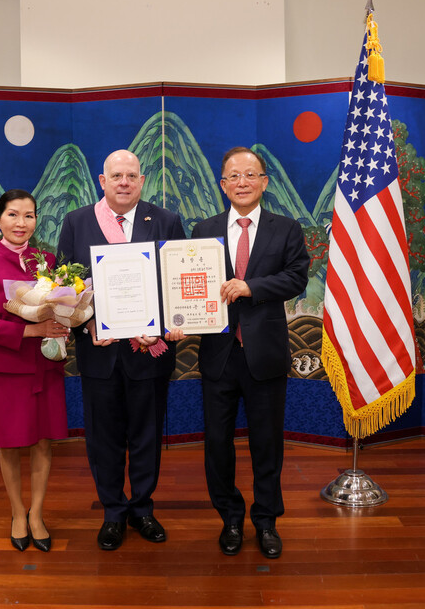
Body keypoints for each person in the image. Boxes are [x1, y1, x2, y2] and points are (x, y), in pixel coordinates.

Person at [167, 147, 309, 559]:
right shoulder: (203, 229)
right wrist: (178, 319)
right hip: (218, 353)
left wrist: (252, 287)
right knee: (217, 443)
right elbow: (188, 284)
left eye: (250, 175)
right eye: (233, 176)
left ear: (265, 182)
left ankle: (266, 521)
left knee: (268, 444)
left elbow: (297, 277)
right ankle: (229, 516)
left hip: (264, 353)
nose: (242, 182)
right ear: (222, 185)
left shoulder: (286, 228)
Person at [57, 149, 185, 550]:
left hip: (148, 353)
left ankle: (143, 509)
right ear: (102, 180)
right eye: (117, 176)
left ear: (142, 180)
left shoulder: (165, 220)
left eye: (132, 175)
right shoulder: (77, 222)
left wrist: (163, 326)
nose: (124, 182)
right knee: (103, 438)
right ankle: (113, 511)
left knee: (147, 436)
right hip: (100, 352)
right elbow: (65, 288)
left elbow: (177, 281)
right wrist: (89, 321)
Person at [0, 188, 70, 552]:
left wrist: (66, 319)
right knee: (10, 444)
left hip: (45, 364)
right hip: (8, 368)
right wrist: (35, 328)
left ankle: (38, 513)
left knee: (44, 441)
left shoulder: (48, 260)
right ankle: (16, 512)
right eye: (13, 215)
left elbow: (61, 306)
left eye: (29, 215)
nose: (21, 223)